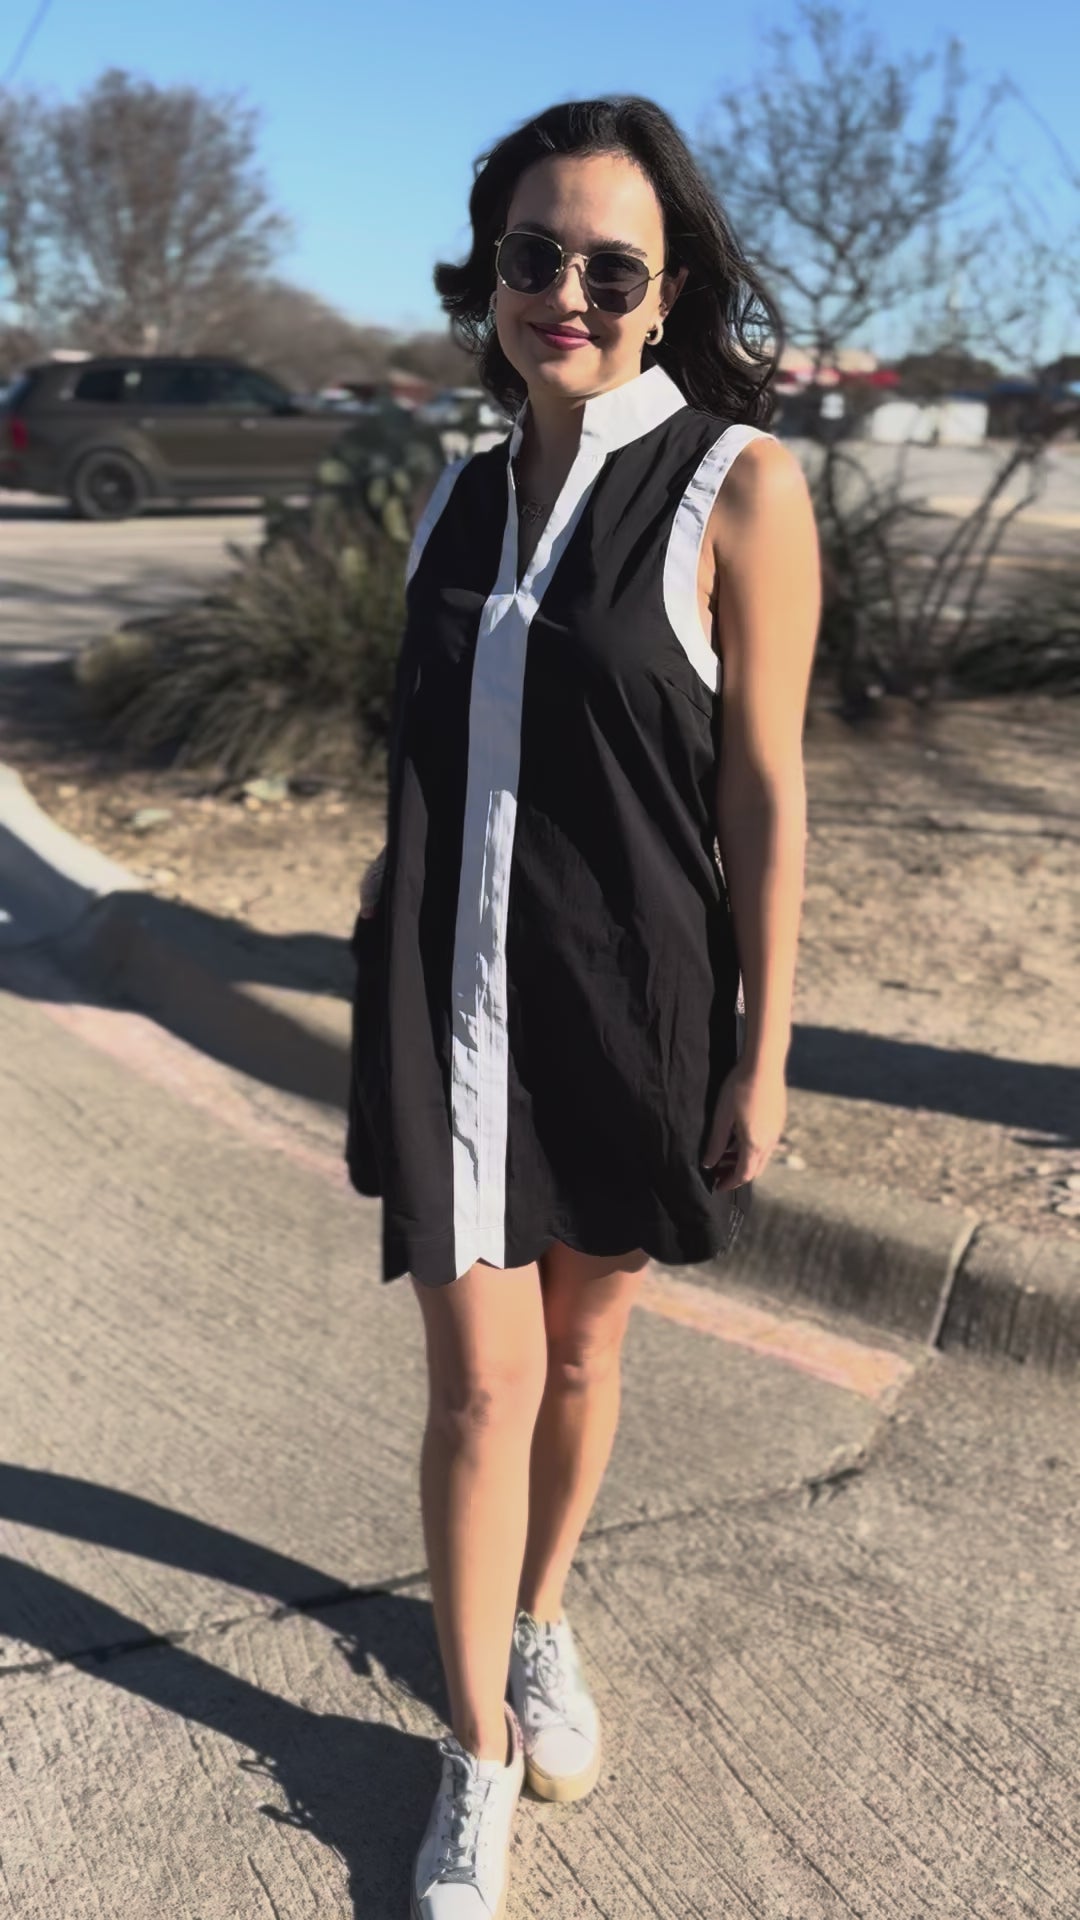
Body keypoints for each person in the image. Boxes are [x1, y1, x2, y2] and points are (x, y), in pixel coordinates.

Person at [345, 95, 821, 1920]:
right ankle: (473, 1758)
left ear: (665, 287)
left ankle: (540, 1617)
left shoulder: (739, 486)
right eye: (533, 254)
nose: (565, 290)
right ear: (491, 277)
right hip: (450, 992)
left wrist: (765, 1045)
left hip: (634, 996)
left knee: (589, 1354)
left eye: (608, 265)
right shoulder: (456, 493)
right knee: (481, 1384)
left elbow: (764, 794)